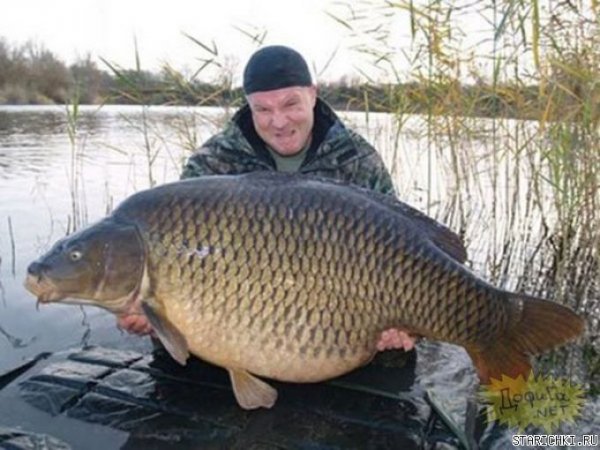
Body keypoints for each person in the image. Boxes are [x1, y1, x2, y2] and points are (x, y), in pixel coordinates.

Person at [117, 45, 415, 353]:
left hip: (341, 327)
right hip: (238, 329)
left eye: (290, 104)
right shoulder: (212, 165)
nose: (279, 122)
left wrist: (405, 329)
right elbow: (181, 269)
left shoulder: (358, 161)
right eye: (263, 109)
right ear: (248, 106)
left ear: (312, 95)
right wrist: (155, 318)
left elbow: (398, 249)